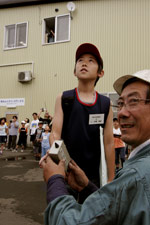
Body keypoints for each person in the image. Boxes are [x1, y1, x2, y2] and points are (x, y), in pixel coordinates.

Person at [41, 69, 150, 225]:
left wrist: (54, 180)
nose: (122, 113)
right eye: (120, 103)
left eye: (133, 101)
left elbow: (72, 222)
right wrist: (87, 187)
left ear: (101, 72)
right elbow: (116, 209)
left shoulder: (135, 175)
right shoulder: (64, 98)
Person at [49, 43, 114, 187]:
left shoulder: (105, 103)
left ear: (100, 73)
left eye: (91, 60)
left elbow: (109, 142)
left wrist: (111, 178)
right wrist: (57, 158)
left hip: (93, 176)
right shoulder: (64, 98)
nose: (84, 63)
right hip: (67, 173)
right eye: (80, 60)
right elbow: (55, 134)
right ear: (74, 71)